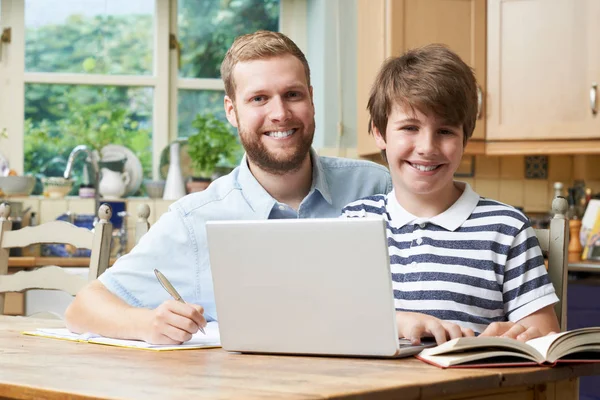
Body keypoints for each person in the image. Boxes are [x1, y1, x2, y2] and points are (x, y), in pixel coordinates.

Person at [64, 30, 391, 345]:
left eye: (292, 94)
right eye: (259, 98)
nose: (279, 113)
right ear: (232, 111)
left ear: (311, 99)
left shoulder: (378, 185)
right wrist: (148, 323)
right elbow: (83, 308)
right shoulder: (194, 220)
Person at [341, 44, 559, 345]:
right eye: (409, 127)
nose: (427, 147)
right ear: (379, 133)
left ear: (465, 138)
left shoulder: (506, 229)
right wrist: (396, 321)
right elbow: (332, 319)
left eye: (445, 131)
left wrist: (494, 342)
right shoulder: (354, 221)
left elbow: (545, 338)